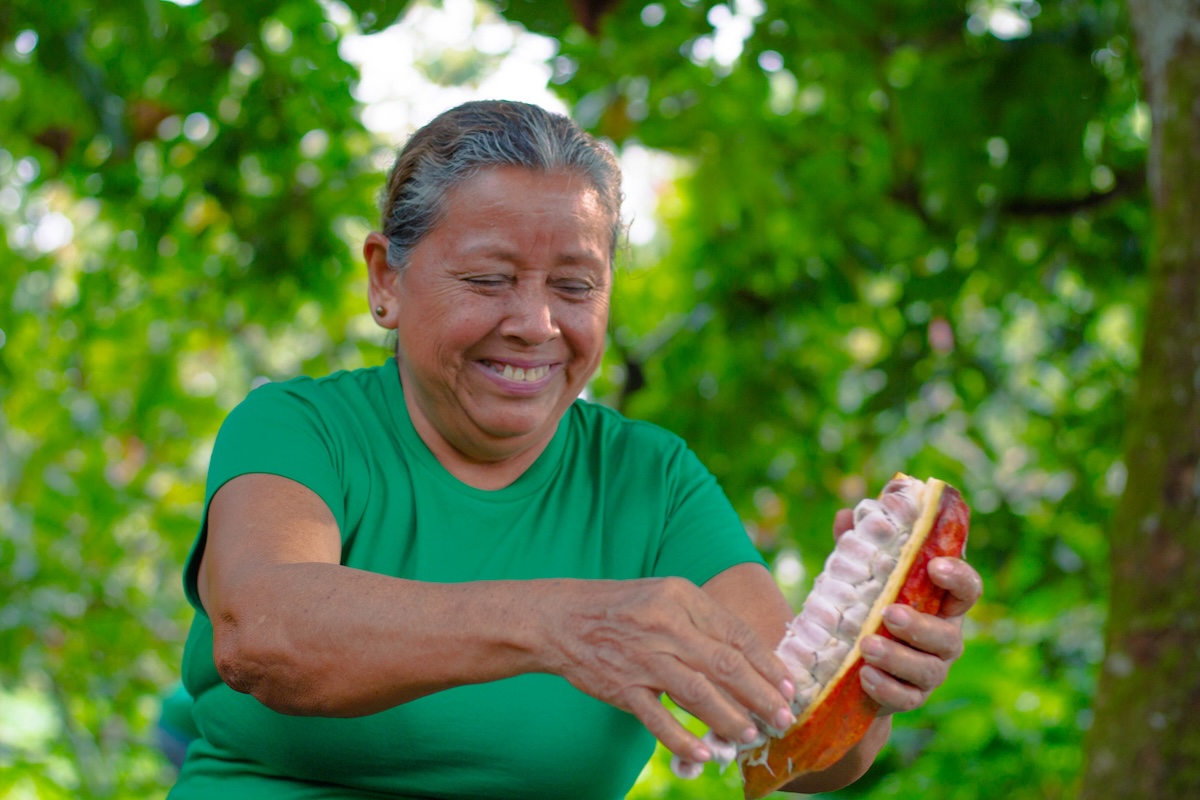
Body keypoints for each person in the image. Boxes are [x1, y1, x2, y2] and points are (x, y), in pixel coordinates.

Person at [167, 100, 982, 799]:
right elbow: (265, 632)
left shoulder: (650, 480)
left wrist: (870, 675)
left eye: (575, 286)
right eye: (488, 280)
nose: (535, 323)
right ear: (386, 278)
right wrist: (559, 625)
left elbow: (789, 745)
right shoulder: (300, 429)